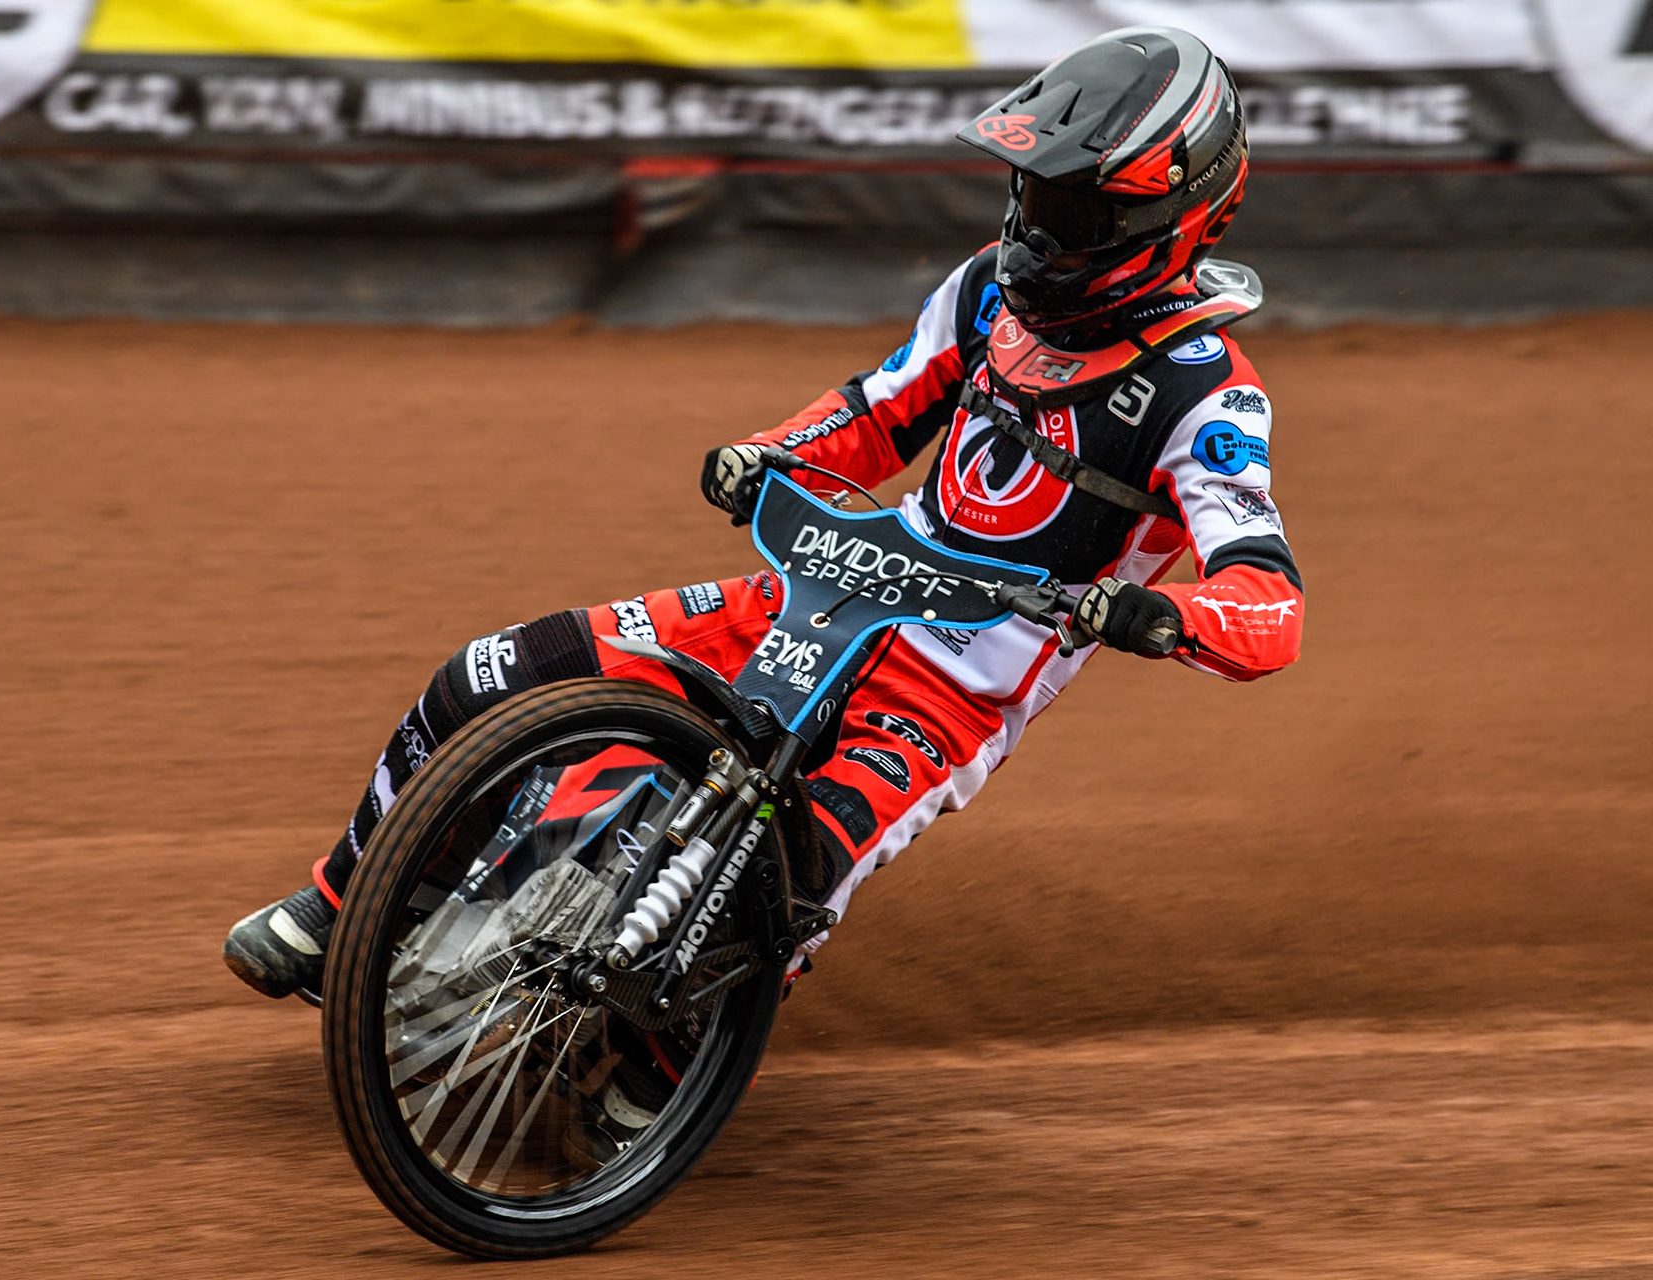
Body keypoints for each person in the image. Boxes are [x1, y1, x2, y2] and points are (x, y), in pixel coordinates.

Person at [223, 24, 1303, 1008]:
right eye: (1030, 193)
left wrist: (1163, 618)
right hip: (828, 580)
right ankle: (342, 907)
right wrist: (769, 452)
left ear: (1172, 216)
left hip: (950, 685)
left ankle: (654, 1085)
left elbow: (1271, 604)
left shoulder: (1208, 392)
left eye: (1073, 211)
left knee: (785, 881)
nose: (1034, 230)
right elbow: (878, 414)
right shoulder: (988, 290)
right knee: (489, 673)